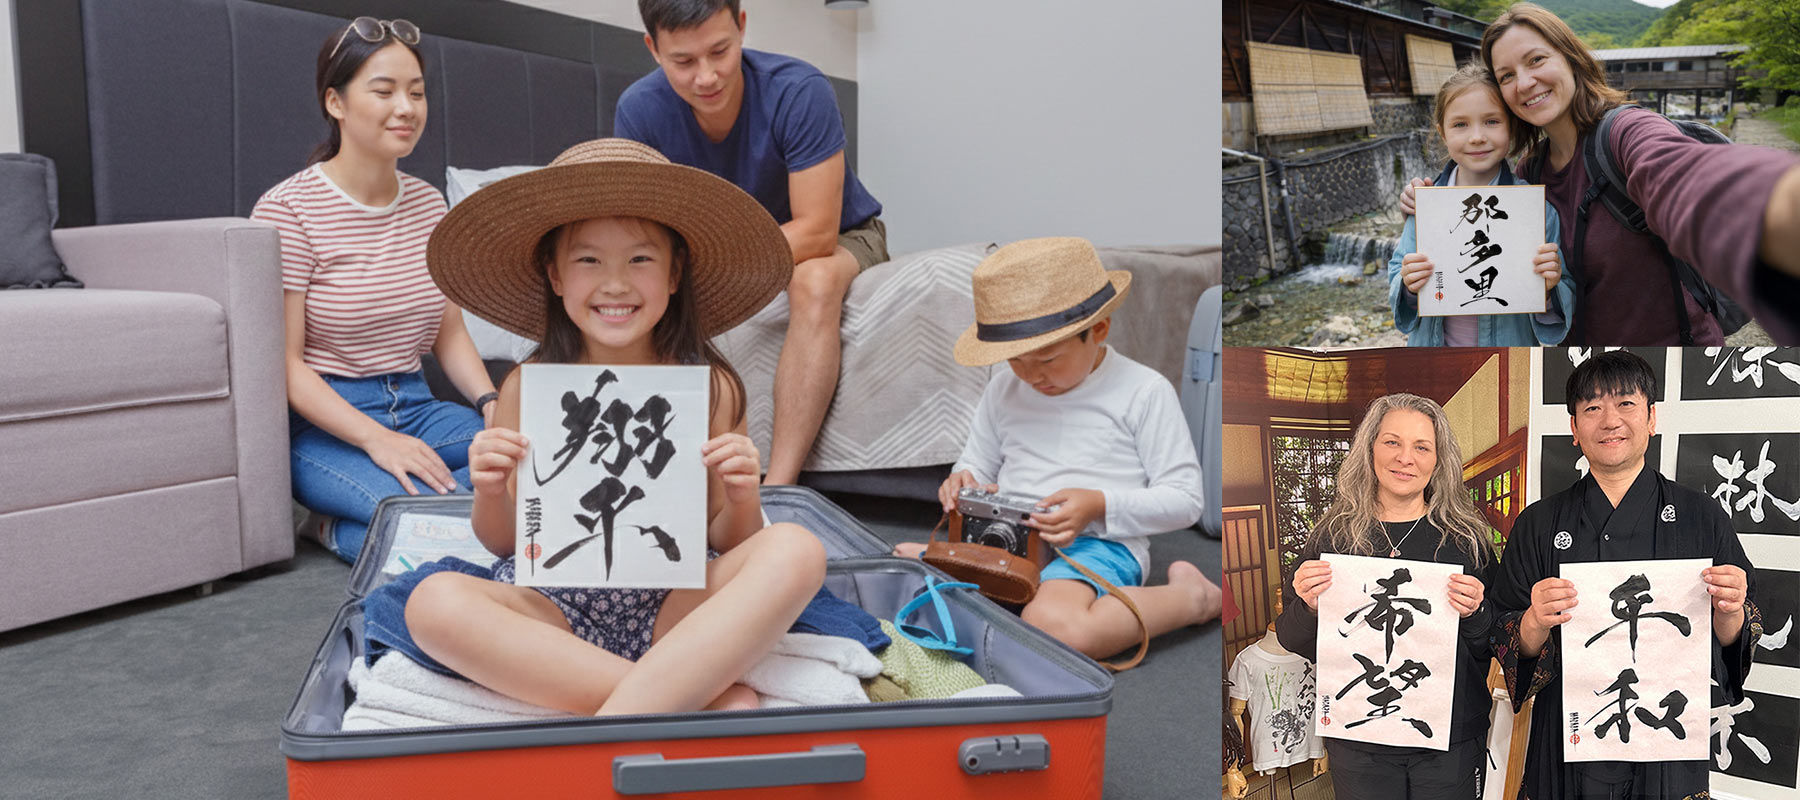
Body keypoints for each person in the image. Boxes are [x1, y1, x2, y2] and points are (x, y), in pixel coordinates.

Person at [356, 138, 827, 716]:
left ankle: (618, 710)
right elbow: (505, 541)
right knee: (432, 604)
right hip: (550, 606)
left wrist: (741, 495)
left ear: (675, 273)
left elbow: (728, 539)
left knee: (797, 550)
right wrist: (485, 487)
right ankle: (688, 701)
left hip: (673, 608)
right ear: (554, 275)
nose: (614, 284)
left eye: (640, 259)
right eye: (588, 260)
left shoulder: (711, 387)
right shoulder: (527, 387)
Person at [1400, 2, 1800, 346]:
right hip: (1580, 375)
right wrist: (1432, 212)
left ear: (1571, 59)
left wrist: (1773, 204)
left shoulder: (1624, 133)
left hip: (1672, 366)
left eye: (1537, 60)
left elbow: (1677, 173)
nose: (1524, 82)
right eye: (1506, 75)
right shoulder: (1529, 174)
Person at [895, 237, 1218, 661]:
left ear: (1098, 330)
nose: (1030, 375)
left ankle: (1191, 598)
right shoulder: (1003, 388)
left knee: (1060, 629)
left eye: (1047, 359)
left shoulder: (1143, 391)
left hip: (1097, 544)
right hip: (1008, 539)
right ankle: (1016, 595)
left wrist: (1097, 505)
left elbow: (1186, 501)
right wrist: (963, 480)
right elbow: (977, 461)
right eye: (1016, 360)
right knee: (898, 567)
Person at [253, 18, 497, 564]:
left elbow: (449, 331)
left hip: (416, 404)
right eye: (384, 91)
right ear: (335, 102)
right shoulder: (289, 209)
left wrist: (491, 404)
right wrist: (375, 441)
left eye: (416, 92)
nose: (406, 108)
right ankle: (333, 528)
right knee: (440, 507)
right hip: (325, 424)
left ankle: (360, 520)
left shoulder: (430, 203)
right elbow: (286, 365)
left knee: (526, 461)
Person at [614, 0, 888, 485]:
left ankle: (780, 485)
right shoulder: (639, 110)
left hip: (843, 235)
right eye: (683, 62)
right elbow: (645, 231)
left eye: (719, 51)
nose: (706, 77)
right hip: (721, 251)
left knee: (815, 281)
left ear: (741, 27)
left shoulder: (799, 90)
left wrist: (715, 267)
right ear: (653, 49)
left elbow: (818, 230)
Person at [1489, 350, 1760, 798]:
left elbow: (1734, 645)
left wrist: (1730, 611)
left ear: (1652, 418)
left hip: (1667, 744)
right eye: (1592, 408)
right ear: (1574, 429)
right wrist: (1534, 621)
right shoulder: (1538, 524)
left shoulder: (1701, 517)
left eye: (1626, 404)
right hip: (1567, 738)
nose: (1610, 420)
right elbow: (1504, 632)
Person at [1273, 393, 1497, 800]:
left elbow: (1496, 640)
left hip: (1449, 737)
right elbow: (1293, 639)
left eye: (1421, 447)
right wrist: (1308, 606)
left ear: (1438, 459)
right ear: (1370, 449)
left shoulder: (1467, 539)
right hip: (1359, 739)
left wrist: (1477, 613)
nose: (1405, 458)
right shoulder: (1332, 537)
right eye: (1392, 442)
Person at [1387, 63, 1572, 346]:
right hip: (1434, 354)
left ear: (1511, 126)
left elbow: (1559, 299)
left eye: (1492, 121)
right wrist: (1409, 286)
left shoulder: (1537, 211)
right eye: (1460, 124)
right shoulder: (1426, 202)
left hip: (1509, 355)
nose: (1476, 136)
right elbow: (1398, 269)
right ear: (1442, 132)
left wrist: (1548, 289)